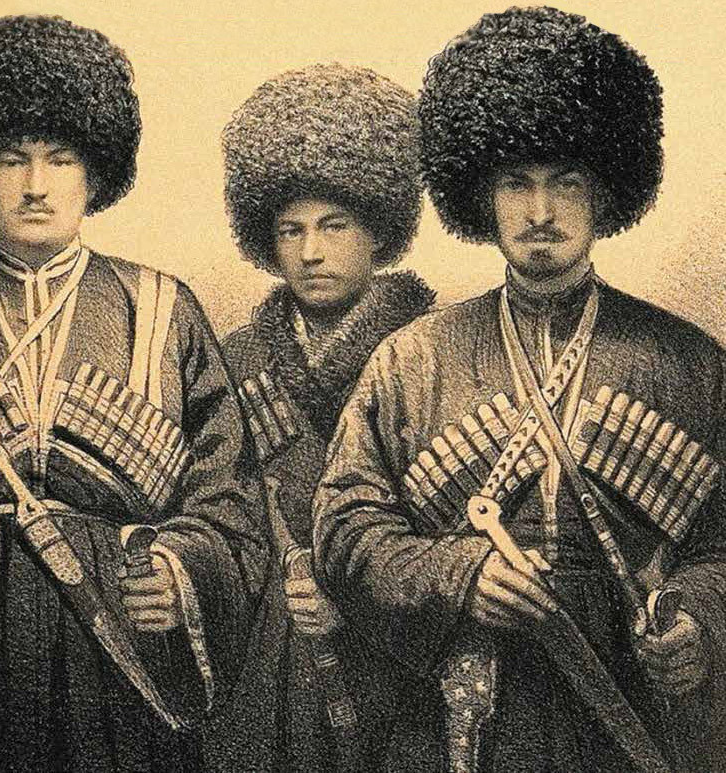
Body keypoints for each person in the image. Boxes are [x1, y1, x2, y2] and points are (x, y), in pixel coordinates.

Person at [0, 14, 267, 771]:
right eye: (11, 160)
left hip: (122, 641)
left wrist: (180, 568)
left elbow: (229, 494)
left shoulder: (163, 310)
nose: (35, 186)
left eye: (59, 159)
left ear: (95, 172)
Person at [313, 7, 726, 772]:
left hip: (625, 701)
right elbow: (344, 530)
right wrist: (458, 573)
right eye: (515, 183)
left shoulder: (687, 364)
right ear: (480, 194)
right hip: (458, 709)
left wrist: (697, 621)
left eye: (565, 181)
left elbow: (717, 545)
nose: (539, 213)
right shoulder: (412, 358)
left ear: (604, 189)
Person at [210, 62, 434, 771]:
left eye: (333, 226)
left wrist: (352, 600)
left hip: (400, 661)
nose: (310, 252)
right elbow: (209, 515)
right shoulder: (233, 360)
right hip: (264, 658)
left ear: (378, 230)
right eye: (290, 230)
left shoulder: (432, 351)